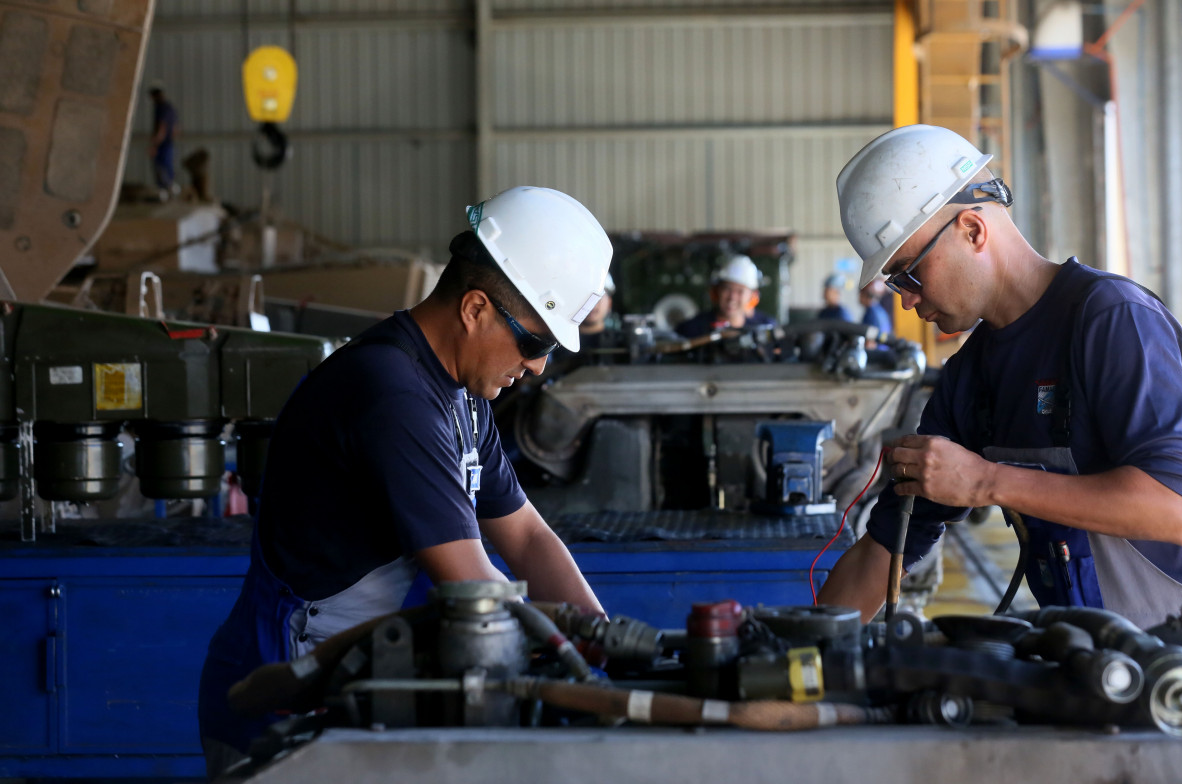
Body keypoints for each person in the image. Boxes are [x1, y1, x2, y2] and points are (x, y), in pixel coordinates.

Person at [197, 186, 611, 776]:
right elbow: (473, 585)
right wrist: (578, 660)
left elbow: (525, 538)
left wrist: (605, 641)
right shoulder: (390, 392)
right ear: (474, 310)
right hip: (286, 714)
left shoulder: (463, 399)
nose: (540, 364)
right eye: (535, 340)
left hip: (362, 699)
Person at [818, 124, 1182, 629]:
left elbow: (1174, 511)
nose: (907, 299)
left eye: (909, 273)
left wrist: (986, 481)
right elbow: (885, 549)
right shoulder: (970, 378)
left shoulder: (1111, 320)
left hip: (1181, 660)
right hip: (1093, 662)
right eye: (894, 284)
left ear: (972, 230)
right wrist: (804, 651)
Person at [674, 254, 777, 338]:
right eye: (727, 289)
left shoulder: (765, 328)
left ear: (752, 296)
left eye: (740, 291)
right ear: (716, 291)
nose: (732, 297)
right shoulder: (691, 329)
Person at [148, 81, 178, 197]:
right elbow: (176, 128)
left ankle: (166, 191)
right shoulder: (170, 107)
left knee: (161, 168)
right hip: (168, 143)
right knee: (167, 167)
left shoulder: (161, 108)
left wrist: (155, 145)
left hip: (162, 144)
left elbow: (162, 127)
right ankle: (169, 190)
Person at [858, 278, 892, 349]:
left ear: (866, 294)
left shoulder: (871, 313)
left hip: (876, 354)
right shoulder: (879, 310)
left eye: (860, 293)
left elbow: (869, 343)